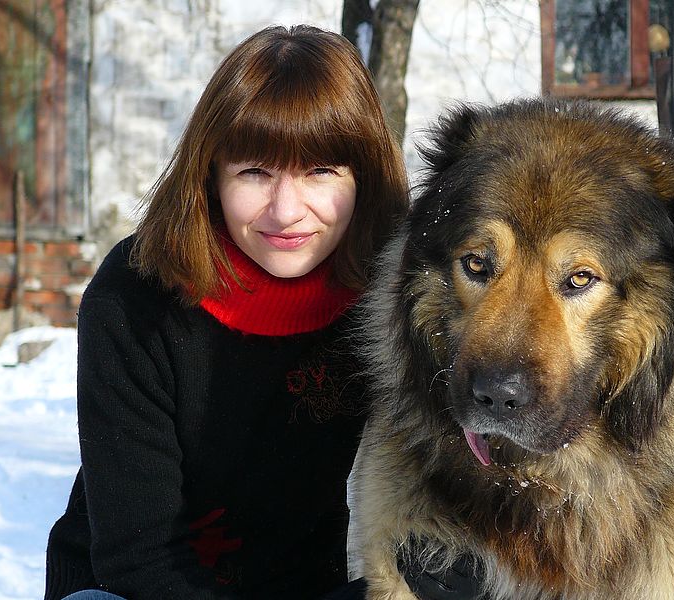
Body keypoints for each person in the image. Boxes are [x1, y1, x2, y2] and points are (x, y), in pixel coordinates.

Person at [43, 25, 410, 600]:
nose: (287, 211)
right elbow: (137, 556)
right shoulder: (135, 298)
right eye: (255, 172)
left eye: (321, 171)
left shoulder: (393, 298)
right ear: (211, 176)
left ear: (363, 177)